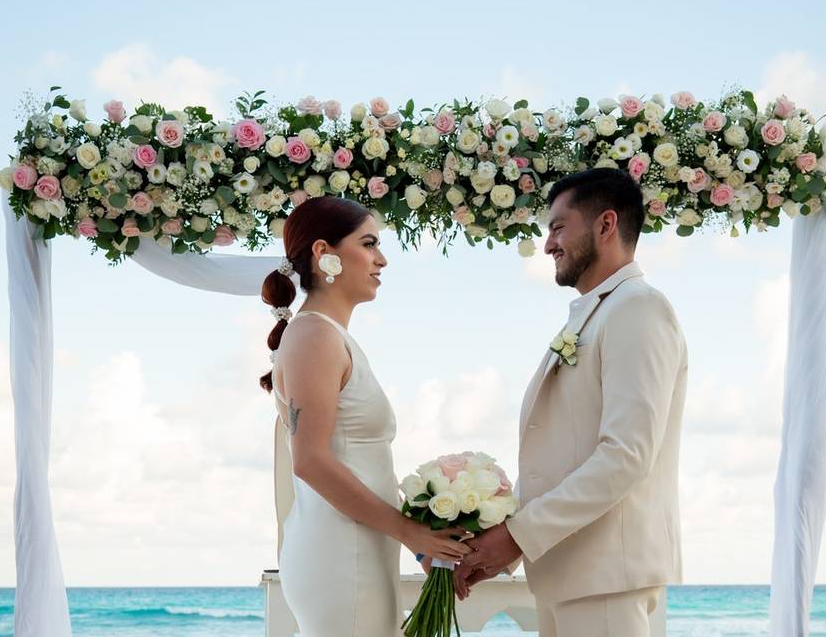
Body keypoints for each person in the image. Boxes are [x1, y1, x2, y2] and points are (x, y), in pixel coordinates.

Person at [455, 168, 688, 636]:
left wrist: (519, 534)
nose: (548, 245)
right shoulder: (596, 313)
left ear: (605, 225)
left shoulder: (637, 308)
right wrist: (505, 538)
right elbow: (561, 453)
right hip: (569, 575)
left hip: (606, 578)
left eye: (559, 227)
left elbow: (626, 455)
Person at [260, 196, 471, 636]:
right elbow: (311, 461)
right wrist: (409, 533)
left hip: (358, 544)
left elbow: (358, 462)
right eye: (369, 243)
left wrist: (418, 540)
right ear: (325, 254)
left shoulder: (327, 336)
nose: (382, 259)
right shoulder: (314, 335)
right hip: (341, 552)